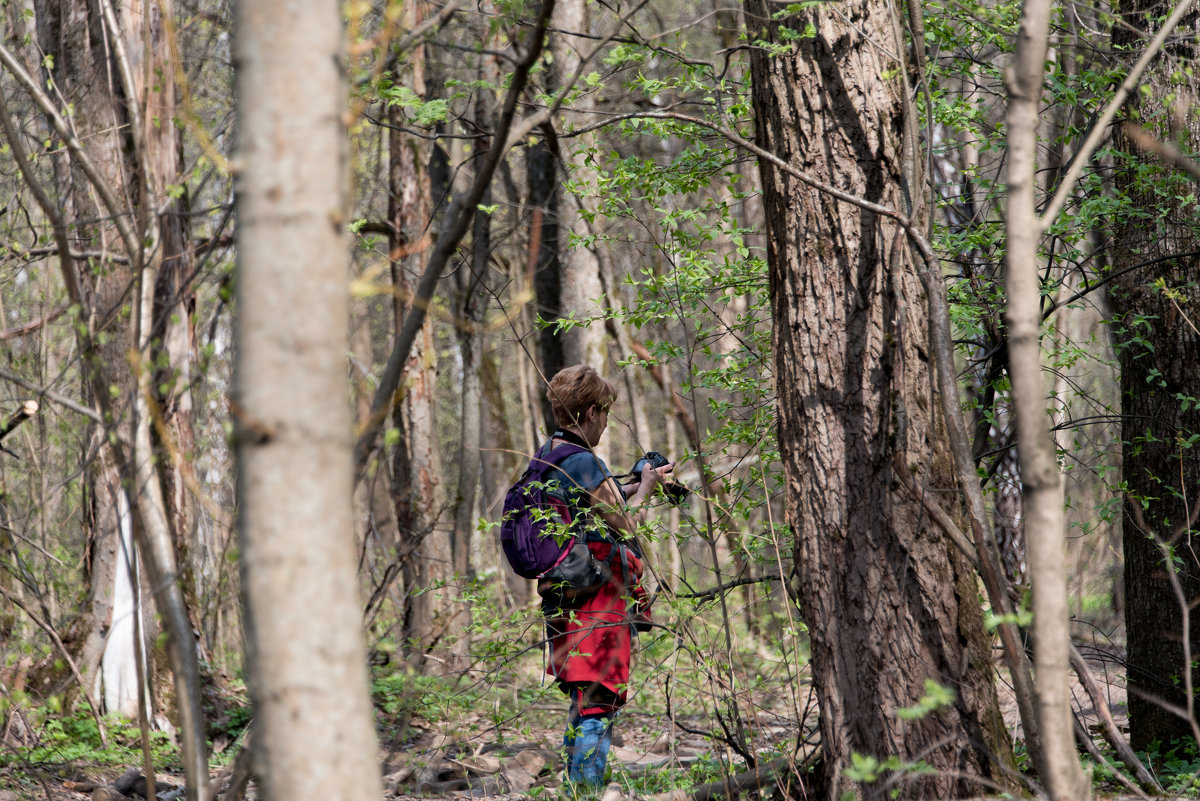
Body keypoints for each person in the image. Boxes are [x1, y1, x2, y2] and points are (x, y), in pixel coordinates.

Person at [535, 364, 672, 789]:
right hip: (597, 605)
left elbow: (590, 511)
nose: (606, 422)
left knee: (583, 701)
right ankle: (586, 793)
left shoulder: (547, 455)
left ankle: (576, 791)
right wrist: (645, 489)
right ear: (592, 411)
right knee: (596, 705)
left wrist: (627, 487)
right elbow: (628, 526)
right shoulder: (584, 461)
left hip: (565, 600)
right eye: (606, 413)